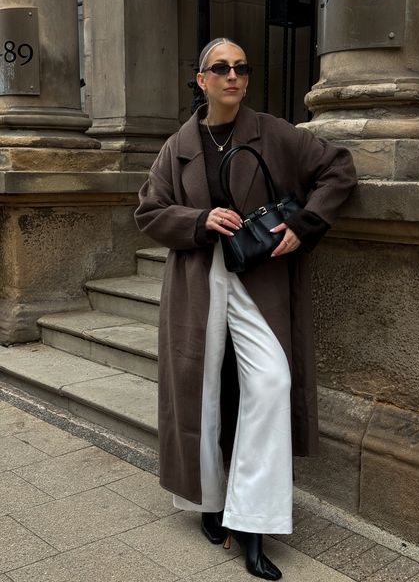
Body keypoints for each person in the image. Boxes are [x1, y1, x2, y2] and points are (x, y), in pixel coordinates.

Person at [135, 37, 357, 580]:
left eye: (241, 68)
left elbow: (339, 170)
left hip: (259, 279)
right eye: (221, 68)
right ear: (201, 80)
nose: (233, 76)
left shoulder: (275, 133)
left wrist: (303, 226)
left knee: (271, 384)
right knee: (202, 393)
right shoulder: (178, 145)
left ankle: (252, 521)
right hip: (198, 280)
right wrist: (197, 221)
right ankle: (210, 503)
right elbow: (148, 212)